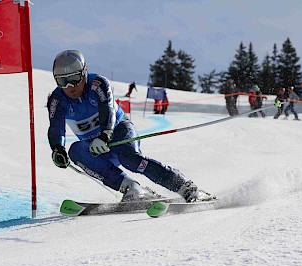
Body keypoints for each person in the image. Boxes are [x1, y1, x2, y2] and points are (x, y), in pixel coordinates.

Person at [47, 50, 214, 203]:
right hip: (96, 148)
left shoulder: (98, 84)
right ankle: (131, 188)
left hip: (118, 131)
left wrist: (105, 135)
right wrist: (57, 149)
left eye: (74, 79)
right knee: (75, 151)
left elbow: (108, 110)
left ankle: (185, 186)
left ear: (84, 73)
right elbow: (56, 127)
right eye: (62, 81)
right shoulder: (57, 99)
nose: (70, 87)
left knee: (130, 159)